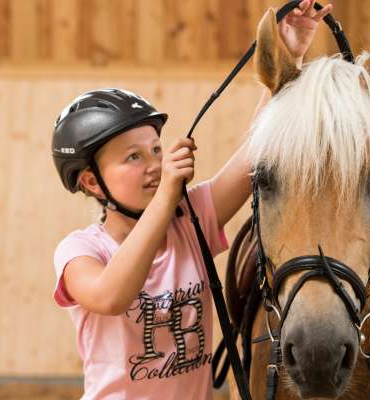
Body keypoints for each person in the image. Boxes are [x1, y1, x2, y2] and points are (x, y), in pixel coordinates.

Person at [50, 1, 332, 398]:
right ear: (92, 182)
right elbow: (111, 296)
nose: (153, 164)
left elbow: (257, 150)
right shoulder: (79, 251)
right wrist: (167, 196)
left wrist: (289, 56)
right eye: (133, 157)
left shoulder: (191, 217)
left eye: (155, 149)